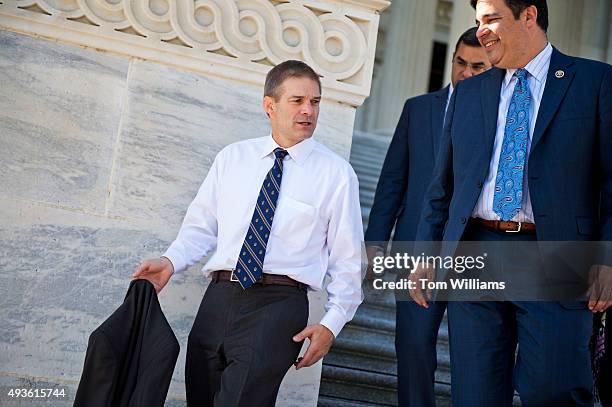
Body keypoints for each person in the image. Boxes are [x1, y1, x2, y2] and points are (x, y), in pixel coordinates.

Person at [412, 0, 611, 405]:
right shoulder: (468, 93)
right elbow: (443, 185)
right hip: (476, 251)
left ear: (529, 16)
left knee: (552, 390)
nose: (481, 30)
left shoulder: (595, 82)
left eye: (491, 19)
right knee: (475, 394)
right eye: (477, 22)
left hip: (556, 255)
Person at [132, 60, 364, 407]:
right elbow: (201, 226)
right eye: (297, 100)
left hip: (279, 306)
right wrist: (170, 261)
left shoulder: (336, 174)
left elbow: (348, 262)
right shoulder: (232, 158)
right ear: (269, 105)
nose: (308, 110)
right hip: (218, 298)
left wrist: (331, 324)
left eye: (315, 102)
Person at [365, 27, 490, 407]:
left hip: (475, 251)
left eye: (478, 67)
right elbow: (392, 180)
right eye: (460, 64)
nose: (466, 73)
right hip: (416, 246)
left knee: (476, 356)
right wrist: (375, 241)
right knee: (414, 346)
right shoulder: (418, 109)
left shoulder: (503, 115)